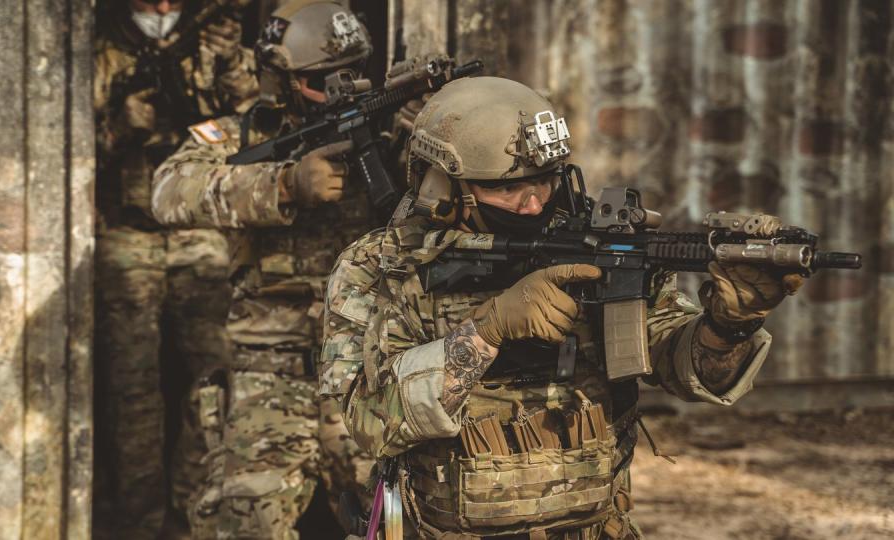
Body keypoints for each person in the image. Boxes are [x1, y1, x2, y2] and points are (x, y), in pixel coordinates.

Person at [319, 76, 805, 539]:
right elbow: (369, 421)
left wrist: (730, 324)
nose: (533, 204)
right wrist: (485, 332)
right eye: (507, 188)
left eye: (546, 180)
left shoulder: (598, 247)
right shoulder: (377, 268)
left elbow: (684, 367)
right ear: (442, 186)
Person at [150, 1, 412, 537]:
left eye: (352, 75)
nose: (339, 89)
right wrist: (284, 184)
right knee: (242, 523)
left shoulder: (389, 137)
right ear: (281, 81)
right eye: (319, 81)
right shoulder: (240, 136)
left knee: (402, 524)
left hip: (369, 377)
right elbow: (169, 190)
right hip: (269, 381)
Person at [93, 0, 259, 537]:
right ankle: (140, 523)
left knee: (216, 375)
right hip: (128, 231)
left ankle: (195, 514)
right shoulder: (104, 47)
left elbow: (257, 121)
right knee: (132, 390)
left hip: (201, 233)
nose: (166, 5)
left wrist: (229, 60)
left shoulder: (212, 37)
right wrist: (119, 126)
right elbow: (58, 143)